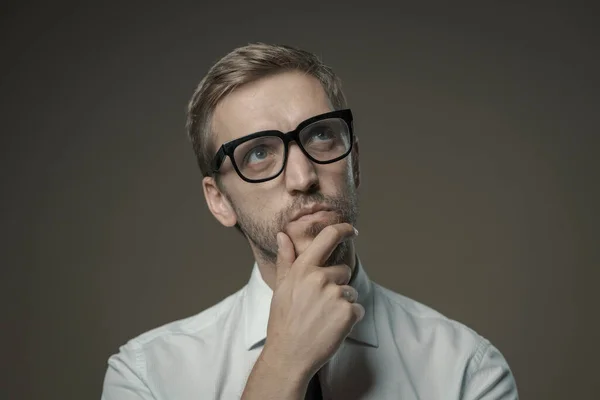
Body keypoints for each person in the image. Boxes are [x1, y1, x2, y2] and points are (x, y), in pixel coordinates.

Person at [101, 42, 519, 399]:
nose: (303, 178)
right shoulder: (147, 377)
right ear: (219, 200)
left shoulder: (467, 370)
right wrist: (284, 363)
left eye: (320, 135)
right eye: (258, 153)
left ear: (354, 161)